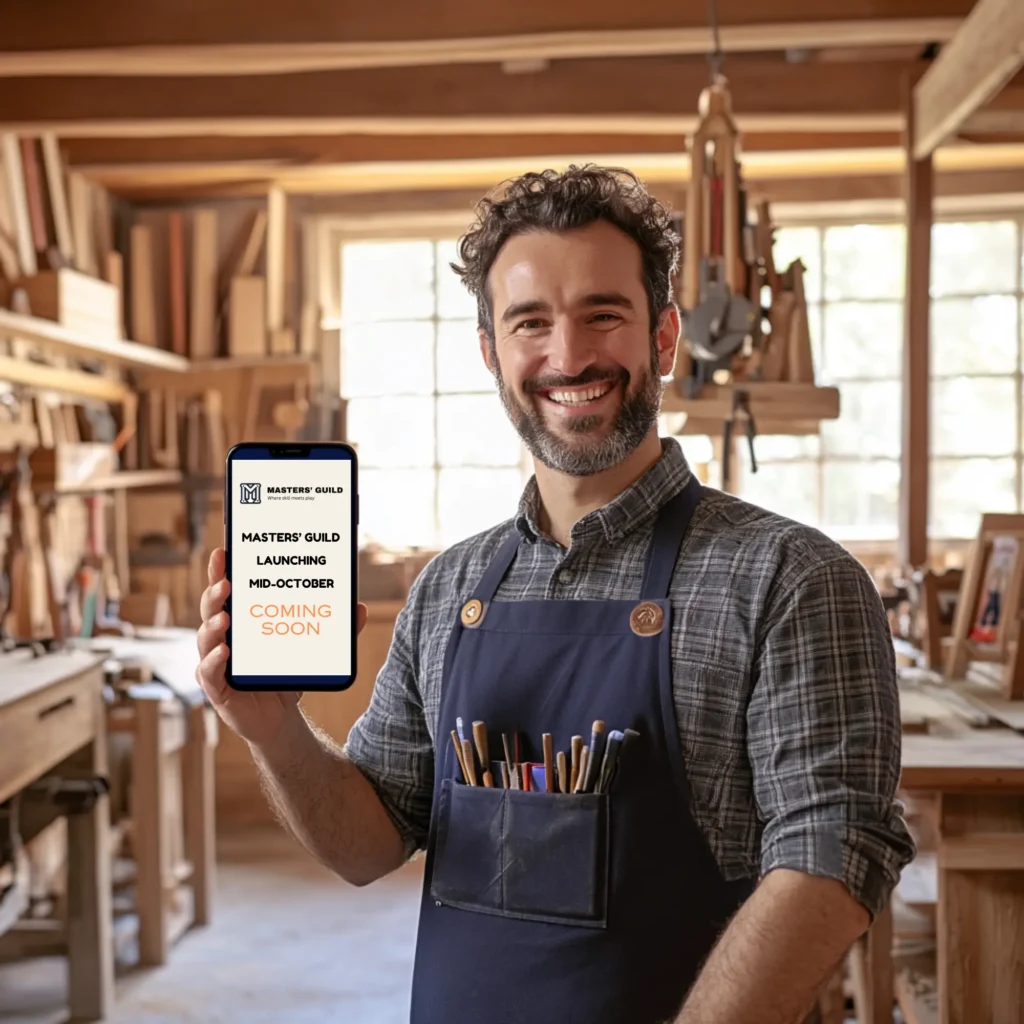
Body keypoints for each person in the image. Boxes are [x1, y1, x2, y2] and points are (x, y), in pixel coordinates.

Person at [196, 165, 915, 1024]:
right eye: (530, 322)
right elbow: (368, 842)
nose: (568, 357)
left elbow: (833, 857)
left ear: (663, 335)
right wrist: (273, 730)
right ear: (491, 351)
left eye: (603, 315)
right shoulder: (446, 590)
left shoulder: (789, 578)